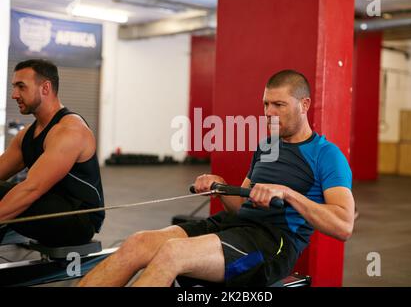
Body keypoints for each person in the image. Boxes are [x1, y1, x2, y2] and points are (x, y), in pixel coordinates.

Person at [78, 69, 354, 287]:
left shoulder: (326, 155)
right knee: (138, 242)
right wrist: (220, 187)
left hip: (271, 247)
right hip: (235, 226)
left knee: (172, 254)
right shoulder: (267, 145)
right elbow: (241, 206)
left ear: (304, 104)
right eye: (266, 104)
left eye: (279, 105)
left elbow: (343, 226)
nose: (269, 112)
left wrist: (289, 194)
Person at [0, 59, 104, 247]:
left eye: (21, 87)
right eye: (14, 87)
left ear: (45, 88)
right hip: (48, 207)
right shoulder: (27, 135)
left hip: (76, 220)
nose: (14, 94)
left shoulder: (70, 130)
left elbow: (32, 188)